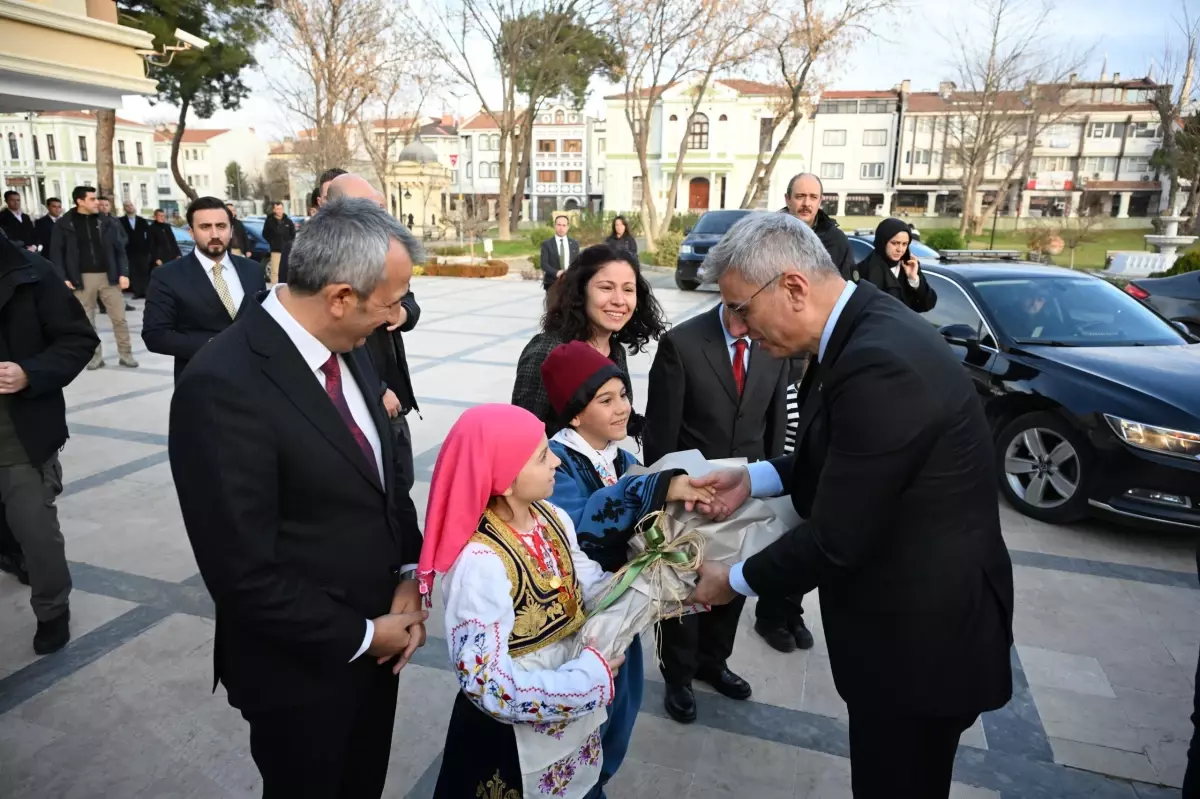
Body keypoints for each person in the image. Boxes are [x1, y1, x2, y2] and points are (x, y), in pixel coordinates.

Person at [686, 212, 1015, 798]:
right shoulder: (860, 327)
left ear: (791, 287)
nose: (735, 325)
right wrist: (753, 476)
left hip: (920, 645)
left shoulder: (879, 358)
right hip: (908, 630)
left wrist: (730, 580)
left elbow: (838, 536)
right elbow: (850, 455)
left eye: (740, 308)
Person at [168, 198, 428, 798]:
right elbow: (242, 574)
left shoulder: (350, 346)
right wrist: (365, 635)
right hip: (299, 671)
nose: (396, 317)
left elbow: (385, 479)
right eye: (391, 302)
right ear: (340, 296)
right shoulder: (222, 385)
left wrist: (411, 572)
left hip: (382, 644)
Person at [420, 403, 622, 799]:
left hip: (569, 720)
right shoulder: (480, 563)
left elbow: (590, 586)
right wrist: (589, 680)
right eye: (542, 456)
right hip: (510, 743)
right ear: (506, 480)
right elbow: (487, 685)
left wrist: (653, 582)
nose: (557, 461)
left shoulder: (551, 518)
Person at [541, 340, 713, 798]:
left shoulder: (619, 457)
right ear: (575, 414)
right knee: (584, 729)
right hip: (577, 625)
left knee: (620, 718)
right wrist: (656, 488)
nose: (623, 408)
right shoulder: (558, 465)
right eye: (606, 399)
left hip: (621, 614)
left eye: (623, 394)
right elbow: (579, 527)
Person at [643, 296, 790, 723]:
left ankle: (714, 662)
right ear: (731, 299)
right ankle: (679, 676)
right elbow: (661, 432)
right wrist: (667, 493)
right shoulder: (682, 344)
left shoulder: (772, 341)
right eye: (743, 317)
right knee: (683, 587)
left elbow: (776, 423)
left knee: (732, 584)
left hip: (746, 495)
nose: (751, 328)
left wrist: (768, 490)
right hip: (690, 494)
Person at [0, 232, 99, 654]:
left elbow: (79, 340)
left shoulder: (30, 272)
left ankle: (52, 609)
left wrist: (29, 373)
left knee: (35, 530)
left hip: (17, 435)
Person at [325, 173, 423, 525]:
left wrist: (402, 310)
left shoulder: (385, 254)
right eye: (369, 210)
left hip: (390, 389)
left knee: (398, 482)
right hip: (365, 395)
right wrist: (376, 389)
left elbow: (409, 304)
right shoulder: (317, 264)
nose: (380, 219)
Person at [513, 243, 666, 436]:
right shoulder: (548, 351)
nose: (619, 300)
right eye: (606, 288)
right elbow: (523, 436)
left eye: (628, 290)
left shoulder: (615, 351)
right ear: (580, 291)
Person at [142, 196, 267, 381]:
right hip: (200, 382)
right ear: (191, 232)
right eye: (205, 227)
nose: (215, 234)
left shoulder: (252, 269)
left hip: (252, 381)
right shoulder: (167, 275)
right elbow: (155, 335)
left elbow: (262, 323)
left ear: (231, 230)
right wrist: (213, 345)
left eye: (221, 226)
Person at [49, 186, 137, 369]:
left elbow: (120, 250)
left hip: (109, 276)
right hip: (80, 278)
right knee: (87, 322)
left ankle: (126, 354)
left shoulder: (107, 222)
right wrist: (63, 277)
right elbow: (56, 254)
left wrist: (124, 273)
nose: (97, 202)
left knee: (119, 318)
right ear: (80, 201)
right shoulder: (65, 224)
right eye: (92, 199)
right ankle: (95, 357)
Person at [781, 173, 855, 279]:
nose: (806, 203)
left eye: (813, 197)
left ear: (820, 201)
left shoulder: (836, 240)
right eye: (800, 196)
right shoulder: (767, 237)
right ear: (788, 199)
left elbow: (847, 288)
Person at [855, 218, 937, 313]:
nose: (900, 249)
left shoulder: (909, 265)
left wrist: (914, 280)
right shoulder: (863, 270)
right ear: (883, 242)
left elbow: (927, 304)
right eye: (895, 243)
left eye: (904, 244)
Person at [120, 201, 153, 299]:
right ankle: (137, 291)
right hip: (129, 250)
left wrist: (148, 248)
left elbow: (148, 235)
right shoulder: (121, 221)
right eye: (127, 206)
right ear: (124, 208)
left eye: (131, 205)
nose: (130, 207)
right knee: (133, 272)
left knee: (144, 270)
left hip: (142, 250)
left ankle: (146, 291)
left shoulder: (141, 220)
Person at [540, 214, 579, 289]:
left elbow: (577, 263)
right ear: (555, 226)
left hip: (569, 283)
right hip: (552, 283)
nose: (561, 228)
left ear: (568, 227)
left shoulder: (574, 244)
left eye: (564, 225)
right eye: (559, 225)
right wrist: (556, 273)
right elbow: (544, 264)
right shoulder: (547, 244)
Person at [263, 201, 296, 284]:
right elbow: (265, 234)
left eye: (281, 209)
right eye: (277, 209)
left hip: (287, 250)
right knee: (275, 272)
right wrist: (272, 242)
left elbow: (293, 234)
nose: (279, 211)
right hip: (276, 250)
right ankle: (274, 290)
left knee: (287, 270)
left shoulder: (288, 221)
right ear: (274, 210)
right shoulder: (270, 221)